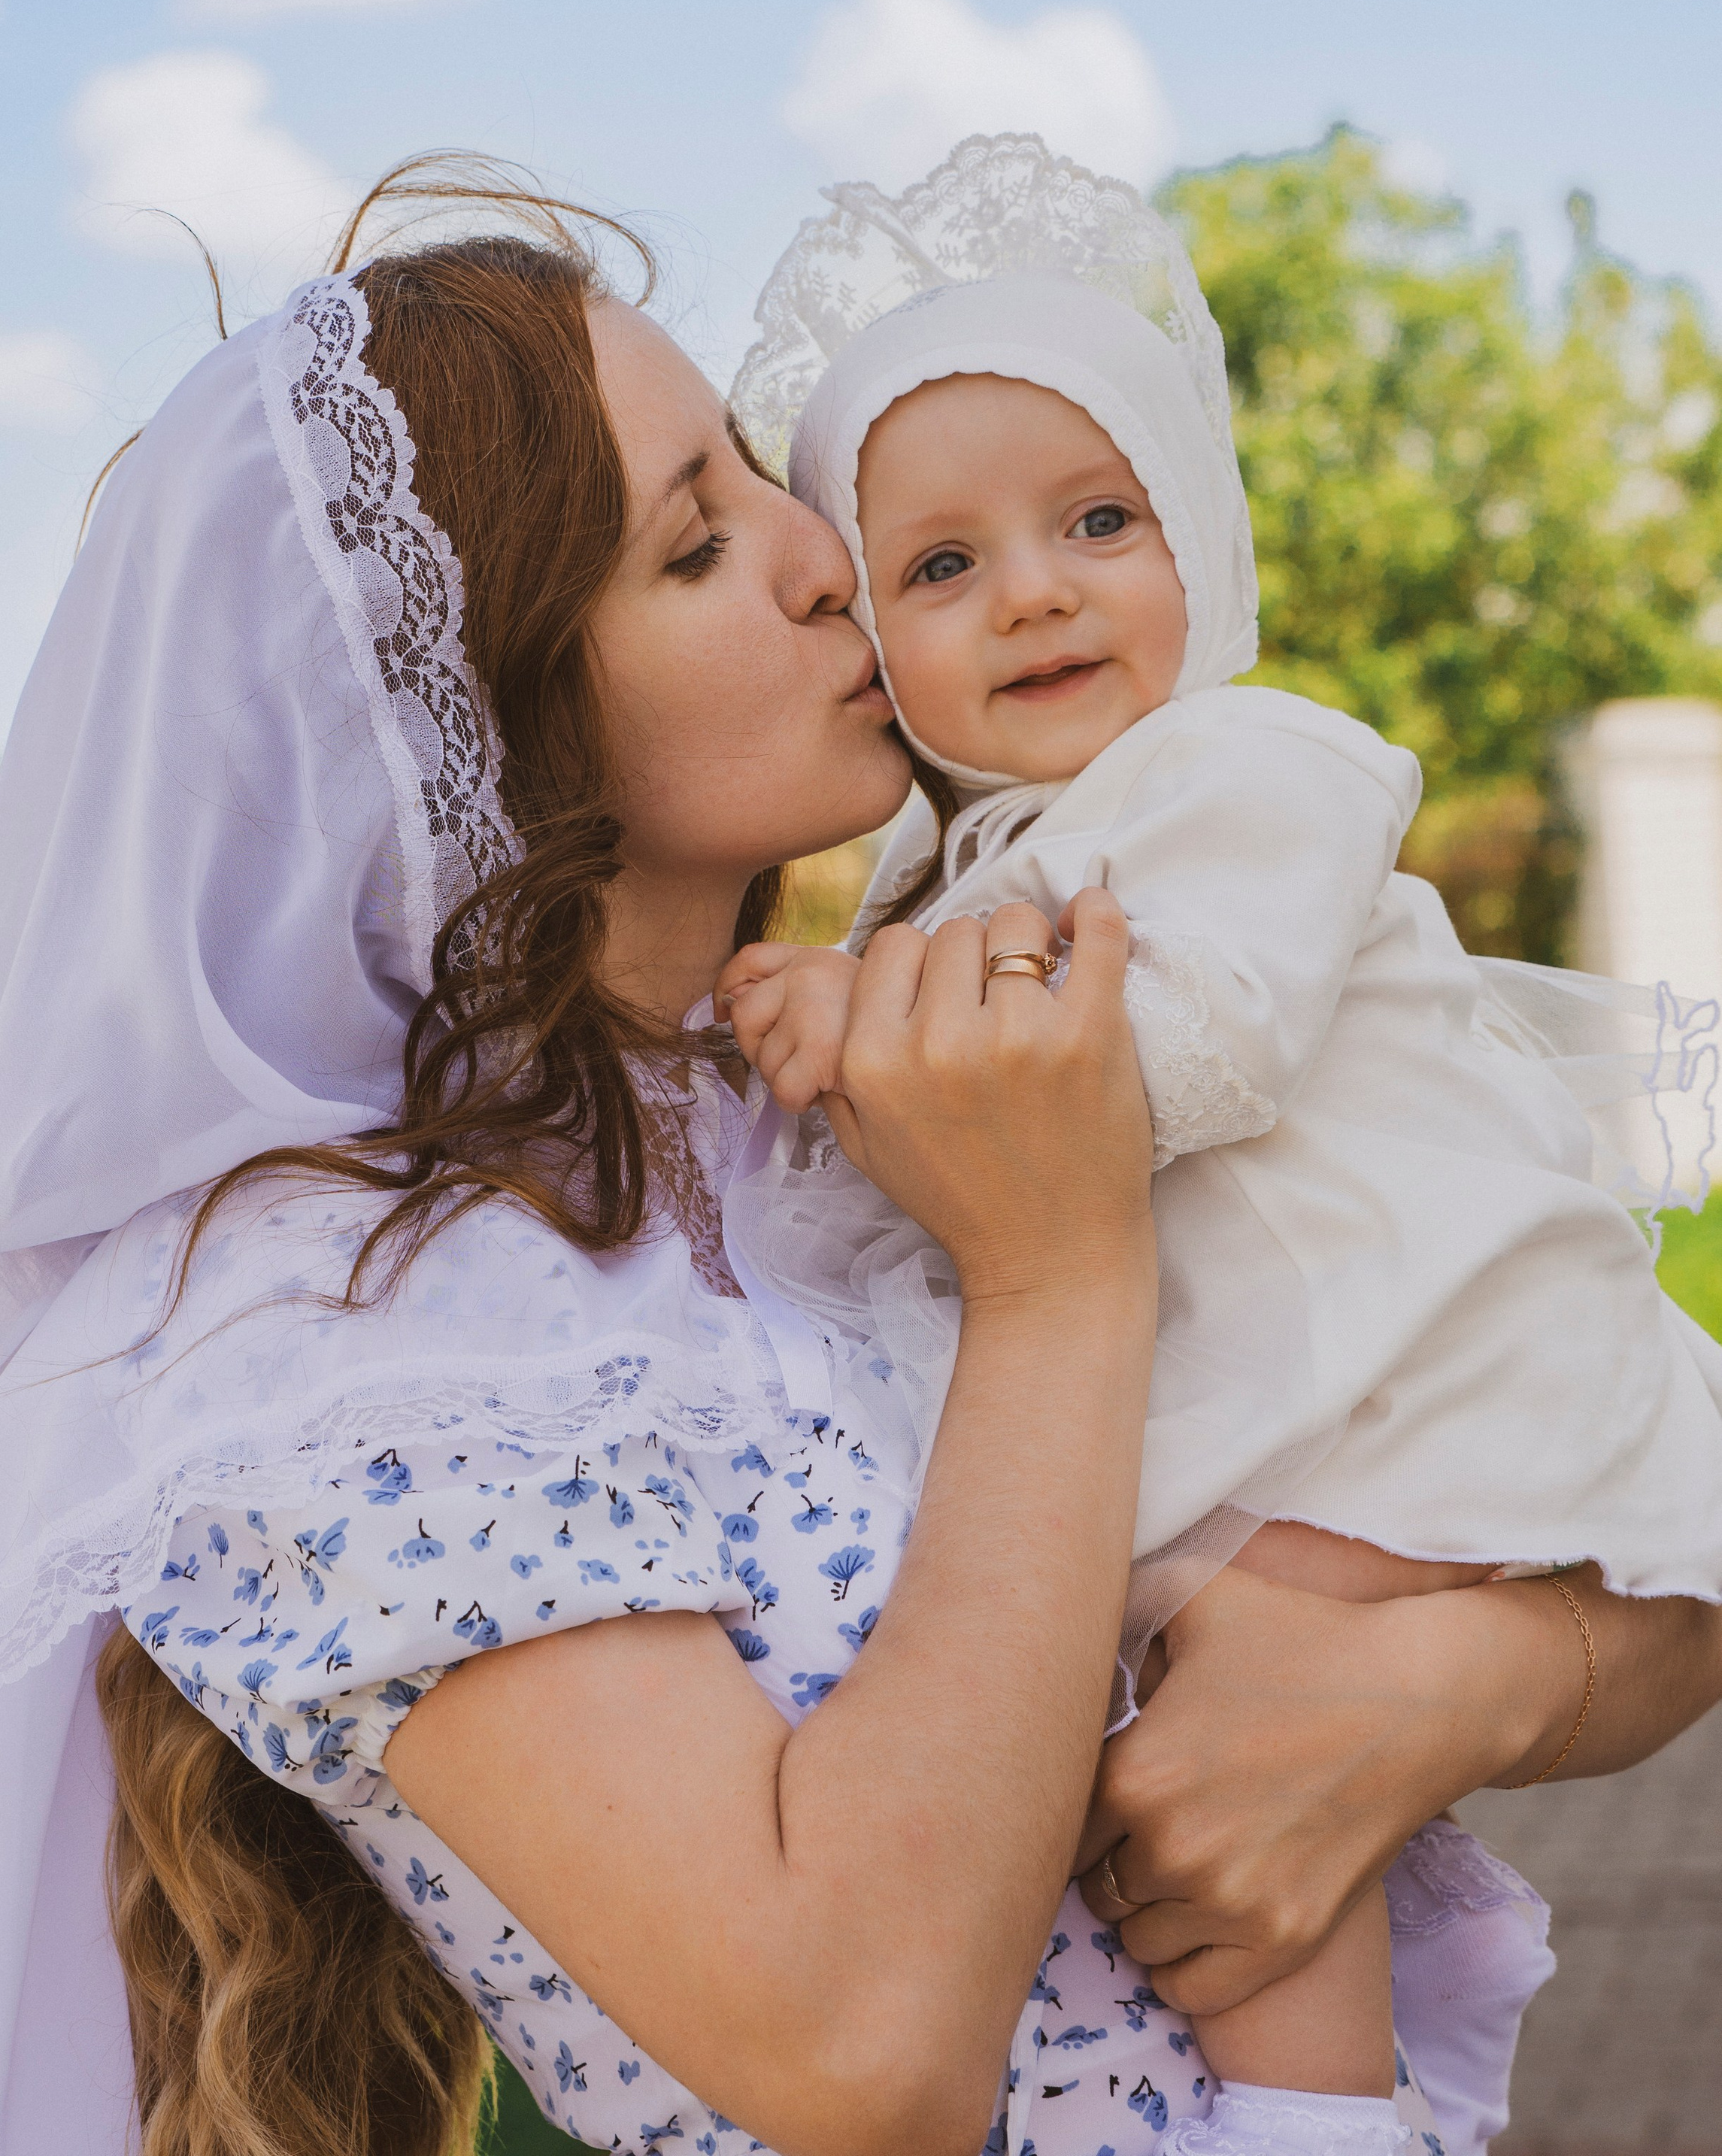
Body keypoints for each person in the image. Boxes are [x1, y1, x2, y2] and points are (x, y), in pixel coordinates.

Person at [0, 167, 1716, 2156]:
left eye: (754, 472)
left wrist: (1460, 1690)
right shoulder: (336, 1318)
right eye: (696, 541)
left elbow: (1596, 1457)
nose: (829, 557)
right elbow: (858, 2054)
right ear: (491, 714)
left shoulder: (827, 1100)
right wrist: (1062, 1280)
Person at [715, 132, 1722, 2151]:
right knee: (1219, 1740)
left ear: (1204, 538)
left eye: (1101, 516)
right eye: (941, 565)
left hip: (1407, 1375)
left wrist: (871, 1035)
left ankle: (1317, 2119)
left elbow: (1208, 1045)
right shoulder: (952, 866)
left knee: (1234, 1716)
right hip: (1284, 1404)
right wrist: (863, 990)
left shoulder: (1253, 765)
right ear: (875, 645)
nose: (1036, 590)